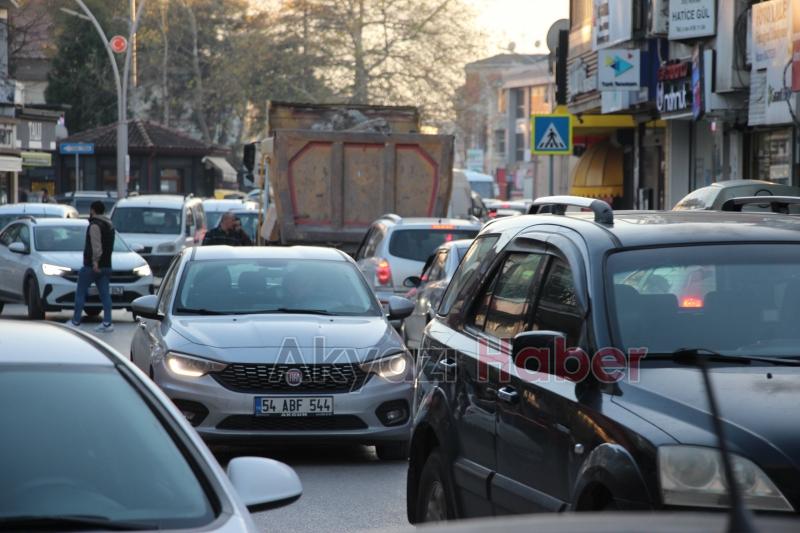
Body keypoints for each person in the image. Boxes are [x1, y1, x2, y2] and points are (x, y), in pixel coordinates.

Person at [68, 201, 115, 332]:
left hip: (92, 266)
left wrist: (95, 262)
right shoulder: (109, 225)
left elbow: (96, 246)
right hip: (107, 265)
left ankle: (76, 321)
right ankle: (107, 322)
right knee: (105, 295)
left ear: (93, 210)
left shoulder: (95, 225)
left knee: (80, 293)